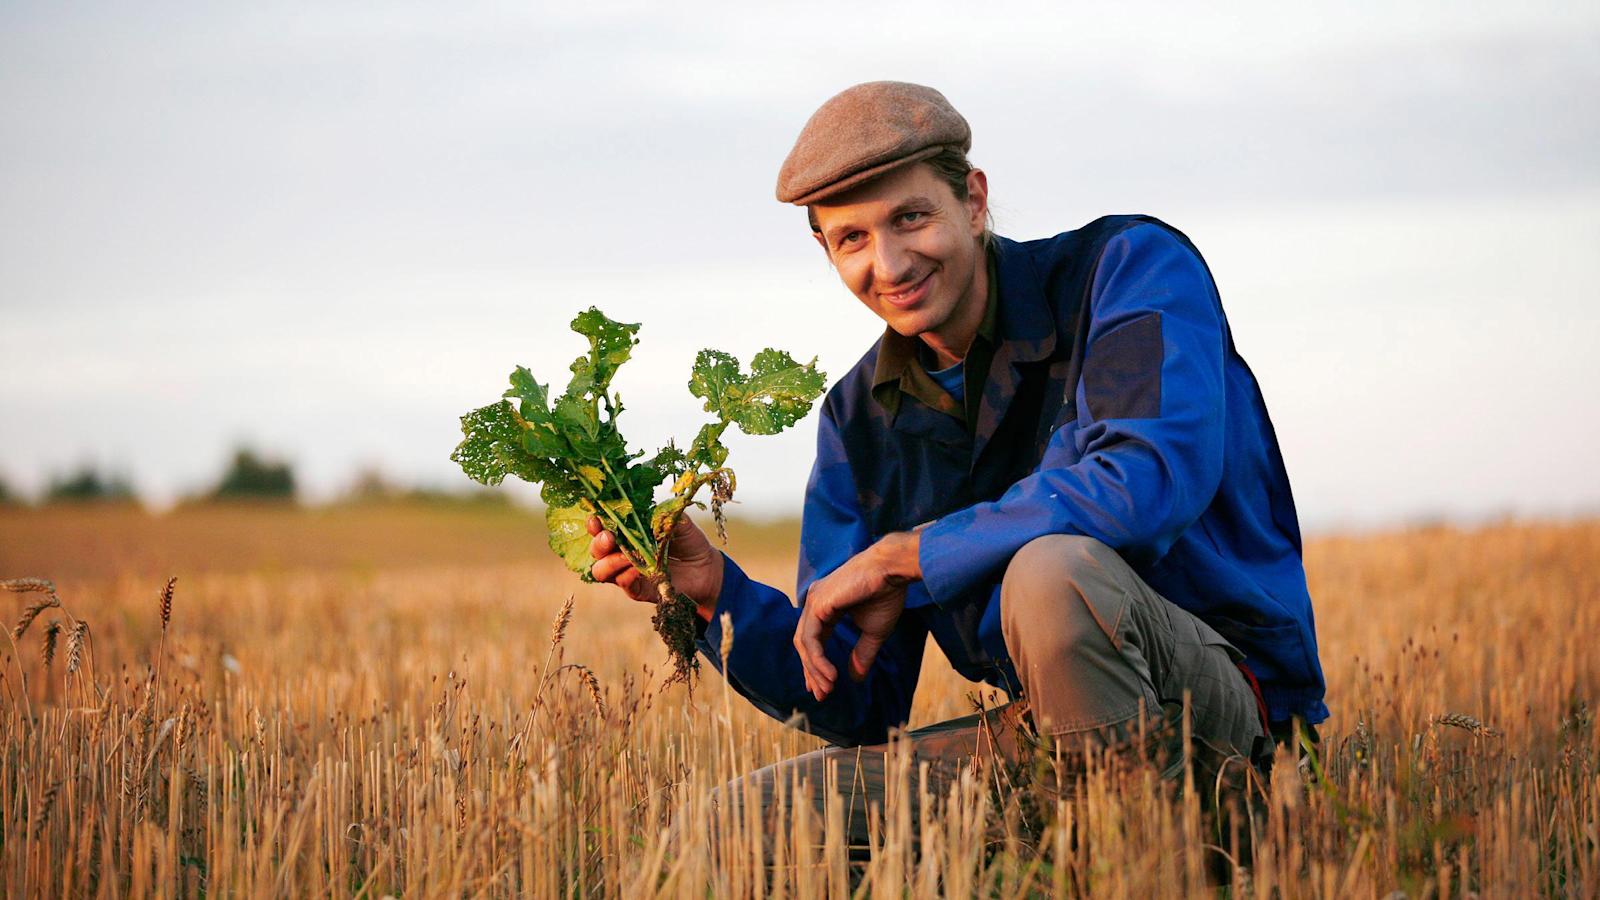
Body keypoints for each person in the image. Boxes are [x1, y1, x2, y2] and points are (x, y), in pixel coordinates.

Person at [584, 80, 1327, 850]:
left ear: (972, 201)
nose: (890, 263)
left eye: (911, 217)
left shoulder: (1127, 273)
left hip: (1224, 721)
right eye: (852, 239)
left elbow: (1144, 479)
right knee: (728, 831)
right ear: (826, 252)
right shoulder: (858, 421)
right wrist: (714, 594)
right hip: (1046, 742)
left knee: (1052, 575)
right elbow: (855, 698)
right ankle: (1067, 847)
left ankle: (1155, 861)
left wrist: (913, 555)